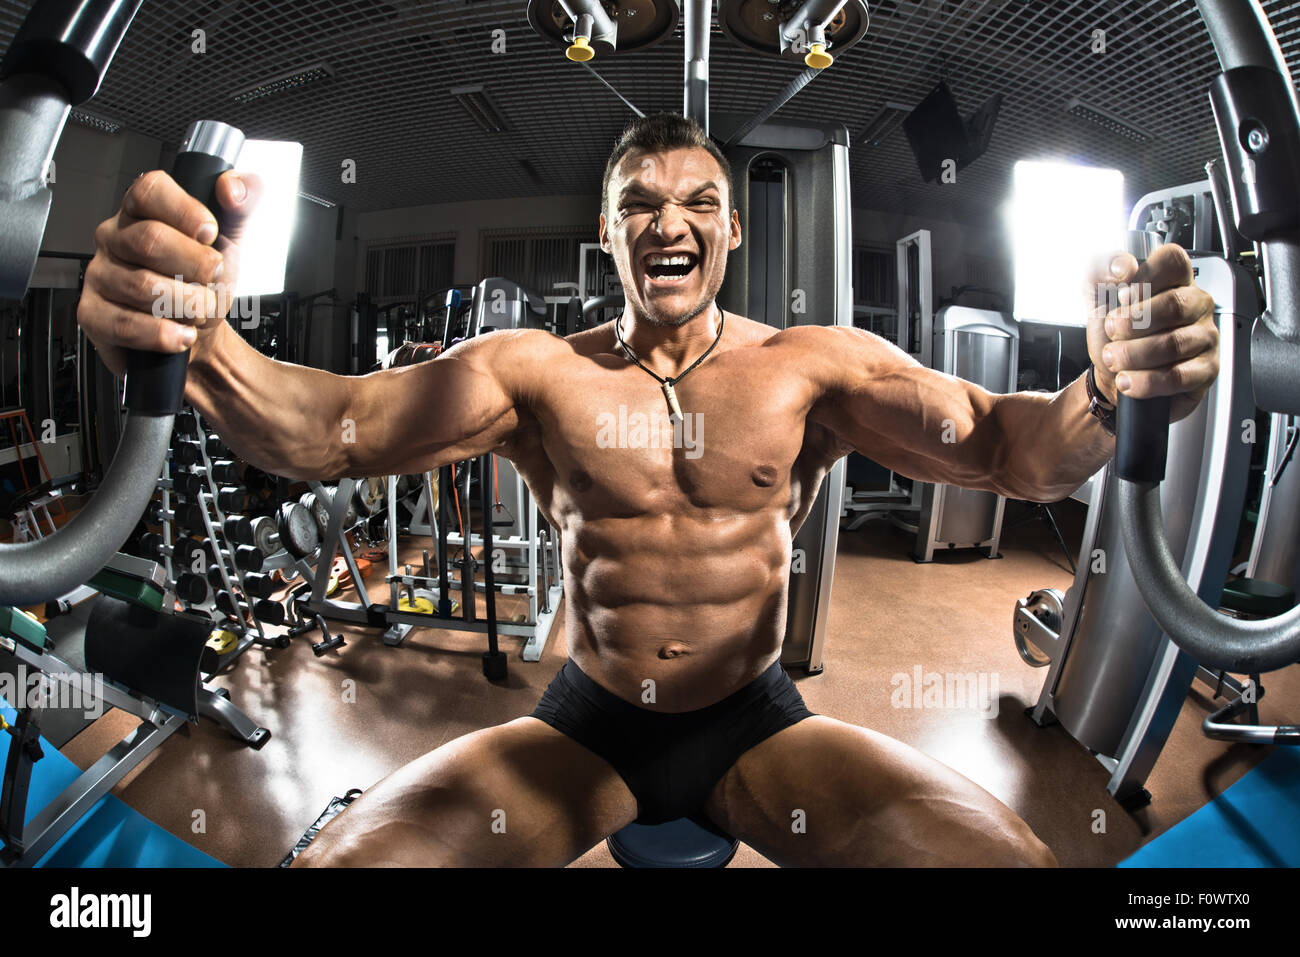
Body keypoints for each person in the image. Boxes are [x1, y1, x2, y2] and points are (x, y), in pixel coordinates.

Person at [76, 113, 1218, 866]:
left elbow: (1009, 452)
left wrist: (1109, 392)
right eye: (637, 202)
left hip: (756, 722)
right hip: (590, 722)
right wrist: (192, 333)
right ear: (611, 235)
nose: (667, 221)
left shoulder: (809, 366)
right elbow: (327, 432)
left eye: (695, 201)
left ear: (728, 228)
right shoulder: (534, 371)